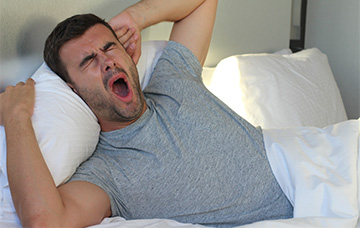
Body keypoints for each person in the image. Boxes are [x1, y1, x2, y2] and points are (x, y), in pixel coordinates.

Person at [0, 0, 293, 227]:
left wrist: (137, 17)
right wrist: (16, 117)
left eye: (109, 46)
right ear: (73, 90)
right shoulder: (106, 174)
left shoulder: (174, 78)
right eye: (89, 60)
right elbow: (46, 222)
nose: (108, 62)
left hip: (308, 179)